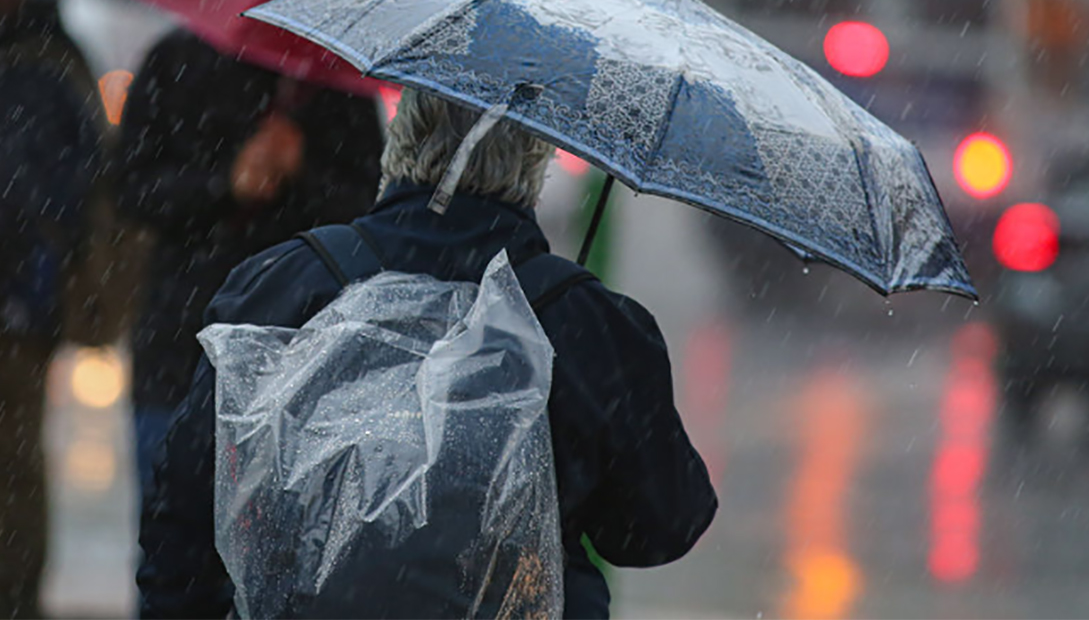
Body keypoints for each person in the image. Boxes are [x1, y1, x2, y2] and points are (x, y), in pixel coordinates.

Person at [138, 88, 718, 619]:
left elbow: (187, 500)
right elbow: (661, 526)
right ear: (534, 162)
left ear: (400, 136)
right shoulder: (585, 326)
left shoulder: (283, 284)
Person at [116, 28, 385, 502]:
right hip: (178, 349)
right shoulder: (178, 59)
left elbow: (367, 209)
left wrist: (300, 169)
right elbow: (133, 190)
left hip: (299, 357)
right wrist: (226, 183)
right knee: (169, 518)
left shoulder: (334, 81)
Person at [0, 0, 103, 619]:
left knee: (14, 462)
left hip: (21, 296)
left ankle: (16, 595)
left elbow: (70, 188)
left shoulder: (45, 65)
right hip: (24, 288)